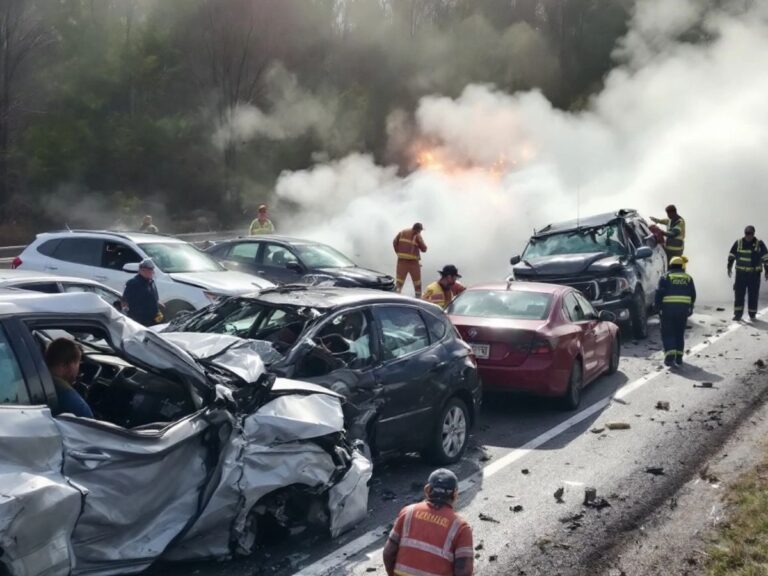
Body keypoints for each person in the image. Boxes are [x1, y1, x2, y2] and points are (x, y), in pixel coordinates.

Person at [383, 468, 473, 576]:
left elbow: (388, 553)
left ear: (427, 490)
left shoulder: (408, 512)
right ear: (455, 495)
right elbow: (464, 571)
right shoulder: (461, 527)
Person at [655, 256, 696, 368]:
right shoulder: (688, 278)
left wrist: (657, 307)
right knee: (679, 332)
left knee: (668, 332)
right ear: (682, 266)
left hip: (668, 310)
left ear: (671, 266)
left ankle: (669, 357)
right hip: (682, 310)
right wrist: (690, 307)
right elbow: (693, 294)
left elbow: (659, 293)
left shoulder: (665, 277)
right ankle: (679, 358)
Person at [727, 225, 768, 321]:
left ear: (754, 234)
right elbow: (732, 255)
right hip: (741, 274)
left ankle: (752, 314)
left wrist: (767, 270)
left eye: (750, 233)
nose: (748, 235)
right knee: (739, 294)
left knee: (753, 295)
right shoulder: (738, 243)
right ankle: (737, 314)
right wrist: (729, 266)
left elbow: (766, 258)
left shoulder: (759, 244)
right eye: (746, 233)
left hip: (754, 275)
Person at [45, 338, 93, 418]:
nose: (79, 368)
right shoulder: (69, 397)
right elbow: (90, 424)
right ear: (64, 365)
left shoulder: (40, 380)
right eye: (78, 363)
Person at [122, 258, 163, 326]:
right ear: (142, 270)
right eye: (149, 270)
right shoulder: (133, 283)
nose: (152, 272)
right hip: (139, 322)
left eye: (152, 270)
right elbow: (125, 302)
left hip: (152, 321)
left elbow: (153, 297)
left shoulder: (151, 282)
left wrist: (157, 304)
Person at [393, 223, 427, 297]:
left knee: (399, 283)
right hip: (413, 263)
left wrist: (398, 253)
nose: (420, 232)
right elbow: (424, 249)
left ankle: (394, 298)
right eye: (420, 230)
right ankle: (418, 300)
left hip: (401, 262)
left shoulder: (402, 232)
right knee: (417, 284)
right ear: (418, 230)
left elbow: (394, 242)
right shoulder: (417, 235)